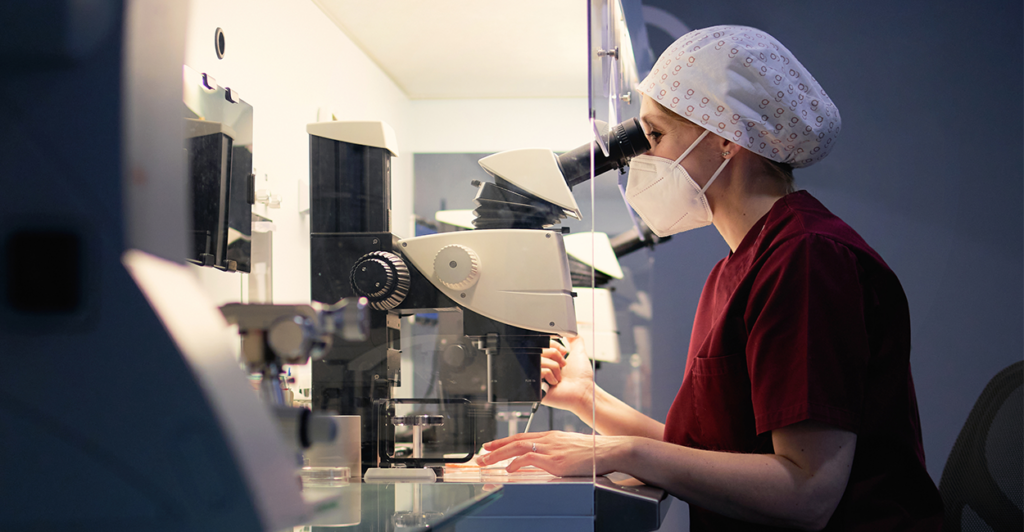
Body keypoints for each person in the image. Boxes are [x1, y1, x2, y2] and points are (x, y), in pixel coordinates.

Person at [477, 26, 943, 531]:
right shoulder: (738, 266)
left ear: (725, 138)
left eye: (653, 135)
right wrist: (588, 399)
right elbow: (705, 455)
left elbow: (806, 493)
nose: (640, 158)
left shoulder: (808, 258)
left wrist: (622, 452)